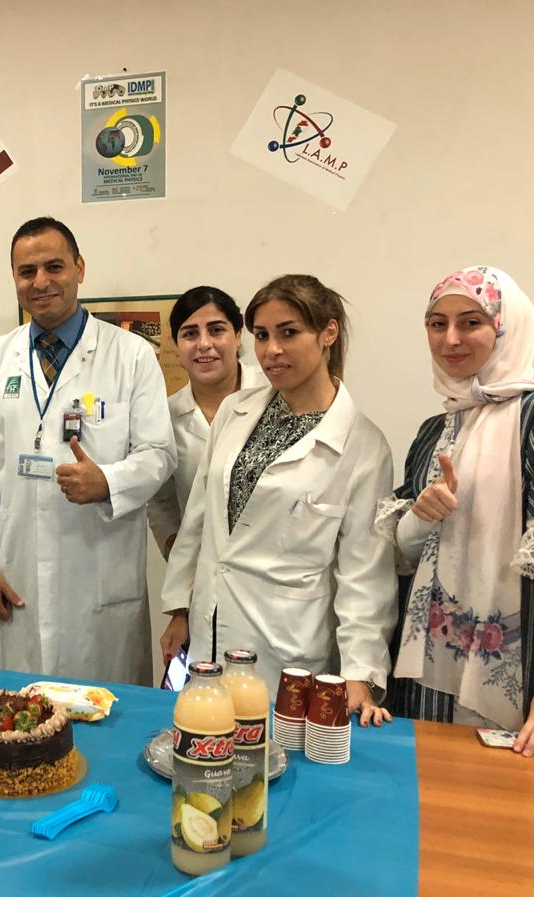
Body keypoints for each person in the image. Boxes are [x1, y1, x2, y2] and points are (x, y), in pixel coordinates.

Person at [376, 266, 534, 757]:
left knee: (500, 793)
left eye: (471, 322)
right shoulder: (435, 428)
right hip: (421, 666)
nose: (450, 339)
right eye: (437, 323)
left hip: (512, 665)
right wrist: (421, 516)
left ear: (507, 328)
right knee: (422, 788)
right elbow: (404, 553)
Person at [0, 216, 175, 684]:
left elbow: (158, 452)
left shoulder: (131, 355)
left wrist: (108, 481)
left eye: (54, 267)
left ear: (79, 268)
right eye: (27, 271)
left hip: (100, 578)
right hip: (17, 577)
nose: (41, 282)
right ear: (14, 278)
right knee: (24, 710)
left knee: (106, 711)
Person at [160, 274, 394, 724]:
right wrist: (180, 609)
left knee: (274, 753)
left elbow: (365, 573)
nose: (271, 350)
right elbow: (198, 523)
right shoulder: (235, 411)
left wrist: (360, 673)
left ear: (328, 333)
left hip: (288, 645)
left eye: (288, 333)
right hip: (210, 629)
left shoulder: (363, 445)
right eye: (263, 335)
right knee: (204, 739)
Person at [146, 285, 262, 558]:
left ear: (238, 336)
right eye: (189, 334)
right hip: (202, 567)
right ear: (176, 346)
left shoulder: (273, 392)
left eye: (216, 330)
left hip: (272, 564)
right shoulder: (166, 416)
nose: (203, 344)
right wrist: (175, 549)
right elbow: (160, 497)